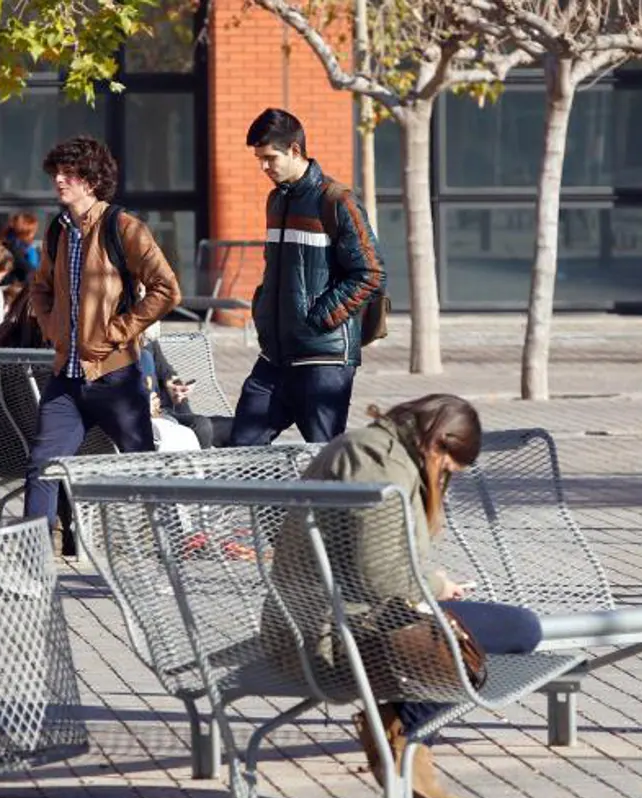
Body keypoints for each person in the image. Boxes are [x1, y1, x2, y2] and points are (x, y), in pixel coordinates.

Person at [263, 394, 541, 798]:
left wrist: (433, 585)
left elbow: (383, 564)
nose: (444, 479)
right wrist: (435, 586)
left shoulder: (386, 452)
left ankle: (407, 733)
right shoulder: (377, 461)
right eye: (447, 469)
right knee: (521, 630)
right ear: (438, 443)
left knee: (496, 635)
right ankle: (404, 729)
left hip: (352, 616)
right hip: (328, 631)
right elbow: (379, 574)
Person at [23, 135, 182, 529]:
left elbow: (167, 288)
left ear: (91, 181)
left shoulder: (123, 227)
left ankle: (169, 553)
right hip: (67, 378)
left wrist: (117, 332)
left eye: (69, 174)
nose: (59, 180)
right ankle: (30, 565)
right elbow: (39, 288)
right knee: (42, 468)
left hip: (116, 376)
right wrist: (53, 329)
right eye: (56, 173)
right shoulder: (58, 230)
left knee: (144, 470)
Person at [229, 108, 386, 446]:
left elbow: (371, 273)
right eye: (259, 159)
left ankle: (345, 501)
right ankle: (268, 503)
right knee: (242, 448)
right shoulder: (276, 201)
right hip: (275, 357)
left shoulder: (337, 200)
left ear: (295, 150)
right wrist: (264, 309)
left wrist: (317, 318)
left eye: (270, 158)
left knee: (325, 459)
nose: (263, 167)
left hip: (323, 361)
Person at [137, 321, 233, 449]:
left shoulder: (148, 341)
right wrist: (138, 405)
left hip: (169, 416)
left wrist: (175, 387)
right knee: (201, 426)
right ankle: (201, 466)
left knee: (237, 427)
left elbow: (165, 371)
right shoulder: (112, 350)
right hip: (146, 425)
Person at [3, 211, 41, 288]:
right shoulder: (14, 248)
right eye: (33, 231)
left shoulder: (26, 248)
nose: (34, 234)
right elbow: (29, 271)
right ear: (27, 232)